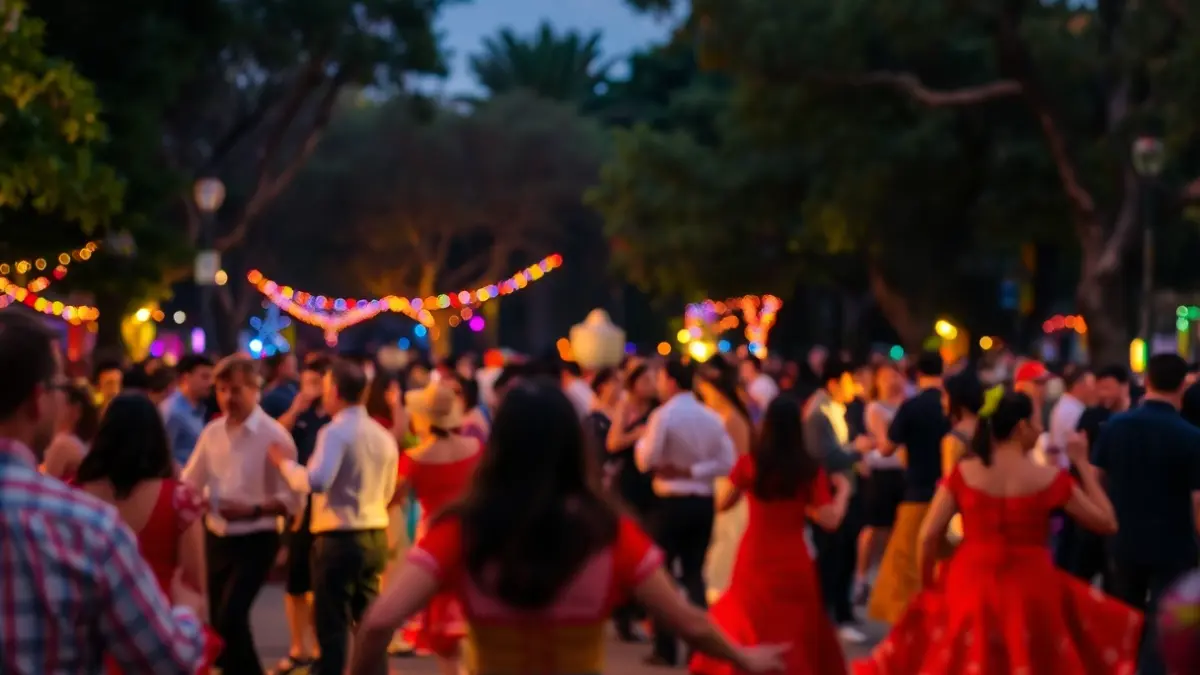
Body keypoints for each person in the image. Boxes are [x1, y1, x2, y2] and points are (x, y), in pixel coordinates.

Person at [348, 380, 788, 675]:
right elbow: (688, 621)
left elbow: (377, 622)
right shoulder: (606, 530)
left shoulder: (463, 528)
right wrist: (744, 658)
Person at [854, 390, 1141, 675]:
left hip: (969, 582)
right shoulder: (1049, 478)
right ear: (1020, 428)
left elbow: (928, 535)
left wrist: (930, 586)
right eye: (1036, 423)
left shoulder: (964, 473)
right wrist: (1082, 463)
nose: (1041, 430)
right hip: (1032, 587)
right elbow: (1108, 522)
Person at [0, 312, 209, 672]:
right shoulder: (85, 527)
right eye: (58, 386)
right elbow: (168, 658)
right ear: (37, 400)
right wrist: (188, 610)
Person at [690, 394, 851, 675]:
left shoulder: (751, 464)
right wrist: (845, 492)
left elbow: (724, 503)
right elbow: (830, 521)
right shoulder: (809, 470)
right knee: (794, 629)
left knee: (749, 621)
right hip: (794, 561)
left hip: (754, 556)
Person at [75, 394, 222, 674]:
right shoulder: (179, 499)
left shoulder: (73, 494)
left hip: (92, 639)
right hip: (161, 637)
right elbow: (195, 586)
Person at [268, 358, 398, 675]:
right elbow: (388, 490)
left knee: (332, 626)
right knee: (368, 624)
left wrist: (285, 465)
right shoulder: (382, 434)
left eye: (326, 390)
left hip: (339, 538)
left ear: (335, 391)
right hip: (374, 533)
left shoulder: (335, 432)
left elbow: (317, 480)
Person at [181, 354, 301, 675]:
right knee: (220, 622)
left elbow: (294, 499)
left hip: (257, 538)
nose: (227, 398)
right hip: (216, 536)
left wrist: (253, 509)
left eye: (235, 390)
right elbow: (190, 482)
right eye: (221, 390)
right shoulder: (212, 432)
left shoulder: (274, 436)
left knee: (232, 615)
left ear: (254, 389)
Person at [1094, 353, 1200, 675]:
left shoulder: (1115, 427)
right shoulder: (1191, 436)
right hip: (1174, 543)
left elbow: (1097, 481)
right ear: (1183, 384)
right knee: (1163, 623)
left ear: (1146, 380)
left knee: (1125, 615)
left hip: (1123, 539)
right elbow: (1197, 501)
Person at [636, 358, 738, 666]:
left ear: (670, 381)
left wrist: (676, 468)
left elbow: (646, 459)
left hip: (670, 503)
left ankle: (665, 648)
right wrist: (695, 470)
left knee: (662, 577)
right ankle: (700, 646)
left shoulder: (663, 416)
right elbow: (728, 461)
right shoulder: (710, 416)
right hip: (702, 501)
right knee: (695, 575)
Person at [392, 379, 481, 673]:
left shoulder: (416, 458)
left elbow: (394, 497)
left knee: (444, 631)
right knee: (473, 616)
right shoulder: (475, 448)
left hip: (434, 541)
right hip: (472, 536)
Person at [868, 350, 949, 625]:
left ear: (916, 373)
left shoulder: (911, 407)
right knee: (945, 562)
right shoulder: (952, 405)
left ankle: (913, 625)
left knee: (906, 566)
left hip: (917, 495)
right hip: (952, 496)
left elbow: (888, 448)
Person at [267, 355, 333, 673]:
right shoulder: (299, 415)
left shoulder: (335, 421)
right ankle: (298, 648)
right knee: (296, 580)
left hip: (327, 508)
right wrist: (296, 407)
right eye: (306, 382)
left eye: (317, 382)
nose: (311, 388)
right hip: (299, 507)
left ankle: (322, 648)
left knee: (323, 582)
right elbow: (275, 437)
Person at [803, 358, 872, 642]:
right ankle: (829, 616)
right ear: (833, 383)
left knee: (844, 555)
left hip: (844, 491)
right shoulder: (818, 413)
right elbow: (826, 457)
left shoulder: (834, 409)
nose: (853, 387)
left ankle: (840, 612)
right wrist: (858, 451)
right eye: (848, 381)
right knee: (832, 558)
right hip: (829, 496)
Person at [696, 361, 754, 603]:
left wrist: (731, 493)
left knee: (726, 551)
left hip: (731, 490)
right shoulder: (719, 415)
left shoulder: (732, 418)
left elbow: (743, 462)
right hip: (720, 486)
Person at [854, 362, 907, 605]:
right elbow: (887, 443)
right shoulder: (875, 408)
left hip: (901, 472)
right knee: (875, 526)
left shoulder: (907, 403)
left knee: (895, 527)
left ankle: (889, 576)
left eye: (894, 375)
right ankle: (861, 577)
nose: (891, 381)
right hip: (881, 471)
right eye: (885, 377)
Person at [161, 355, 214, 468]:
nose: (210, 383)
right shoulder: (172, 411)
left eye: (211, 378)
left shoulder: (199, 408)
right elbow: (162, 455)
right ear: (186, 378)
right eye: (204, 377)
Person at [40, 380, 99, 482]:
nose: (53, 408)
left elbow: (47, 482)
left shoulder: (63, 444)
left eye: (59, 403)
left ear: (75, 410)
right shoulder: (79, 443)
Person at [1047, 367, 1094, 469]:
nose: (1093, 389)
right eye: (1091, 384)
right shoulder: (1072, 410)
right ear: (1078, 385)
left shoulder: (1067, 405)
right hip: (1068, 468)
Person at [261, 352, 300, 419]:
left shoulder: (292, 387)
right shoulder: (269, 394)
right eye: (291, 366)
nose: (294, 370)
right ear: (280, 367)